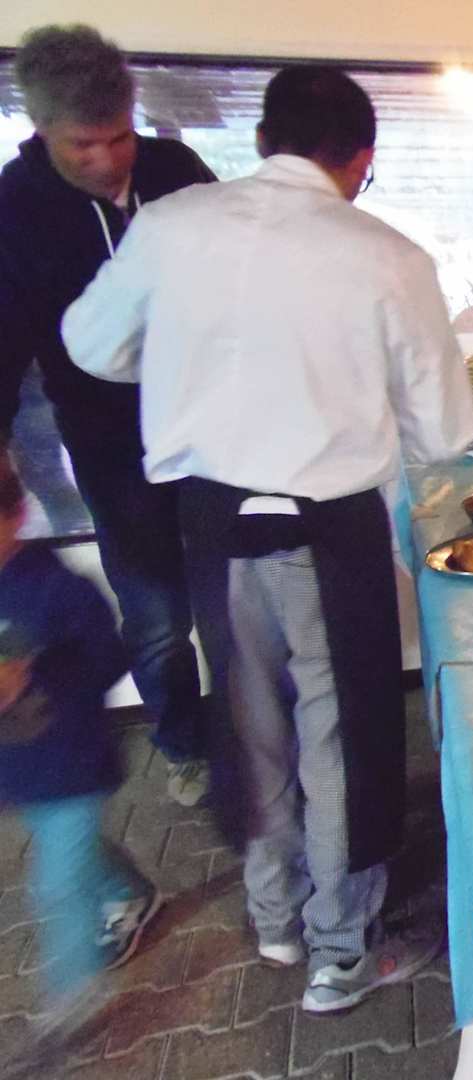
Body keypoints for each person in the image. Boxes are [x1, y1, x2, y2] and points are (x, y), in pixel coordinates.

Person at [62, 65, 473, 1014]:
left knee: (249, 724)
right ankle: (343, 950)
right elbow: (447, 429)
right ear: (361, 159)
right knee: (339, 736)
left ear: (261, 141)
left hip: (211, 521)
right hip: (329, 528)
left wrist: (184, 364)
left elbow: (90, 343)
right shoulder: (387, 255)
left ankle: (277, 923)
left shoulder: (171, 227)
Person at [0, 25, 219, 807]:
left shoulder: (178, 172)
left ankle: (252, 735)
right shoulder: (15, 206)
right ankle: (183, 743)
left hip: (213, 427)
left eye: (119, 137)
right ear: (41, 128)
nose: (106, 159)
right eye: (82, 144)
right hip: (109, 443)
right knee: (156, 615)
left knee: (237, 596)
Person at [0, 455, 160, 1049]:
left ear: (16, 516)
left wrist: (40, 674)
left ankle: (70, 1001)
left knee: (56, 884)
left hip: (70, 762)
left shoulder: (57, 589)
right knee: (73, 848)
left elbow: (111, 659)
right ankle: (130, 891)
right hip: (19, 768)